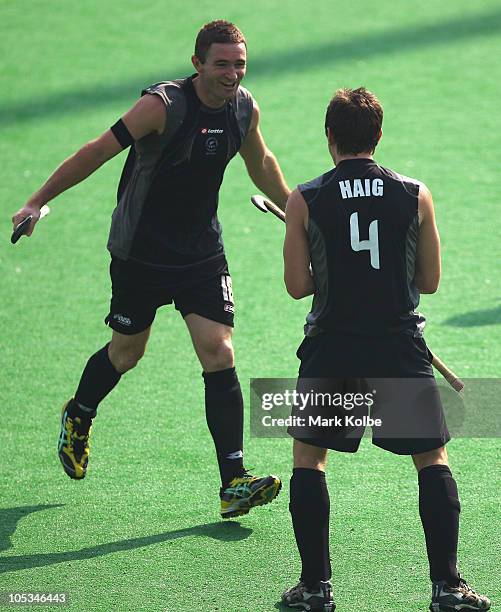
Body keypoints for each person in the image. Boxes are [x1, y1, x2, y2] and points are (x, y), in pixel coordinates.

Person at [12, 20, 288, 519]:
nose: (232, 74)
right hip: (140, 254)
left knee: (219, 350)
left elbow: (262, 162)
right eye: (222, 63)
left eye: (239, 64)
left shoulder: (243, 108)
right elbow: (97, 151)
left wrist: (297, 214)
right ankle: (79, 413)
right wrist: (37, 201)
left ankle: (233, 481)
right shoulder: (162, 107)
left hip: (202, 253)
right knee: (126, 353)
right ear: (197, 63)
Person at [280, 88, 490, 611]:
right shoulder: (415, 193)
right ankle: (447, 587)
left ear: (329, 136)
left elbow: (298, 286)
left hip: (332, 348)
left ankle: (314, 589)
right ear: (378, 136)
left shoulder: (304, 198)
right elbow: (431, 280)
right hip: (398, 346)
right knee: (431, 458)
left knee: (310, 460)